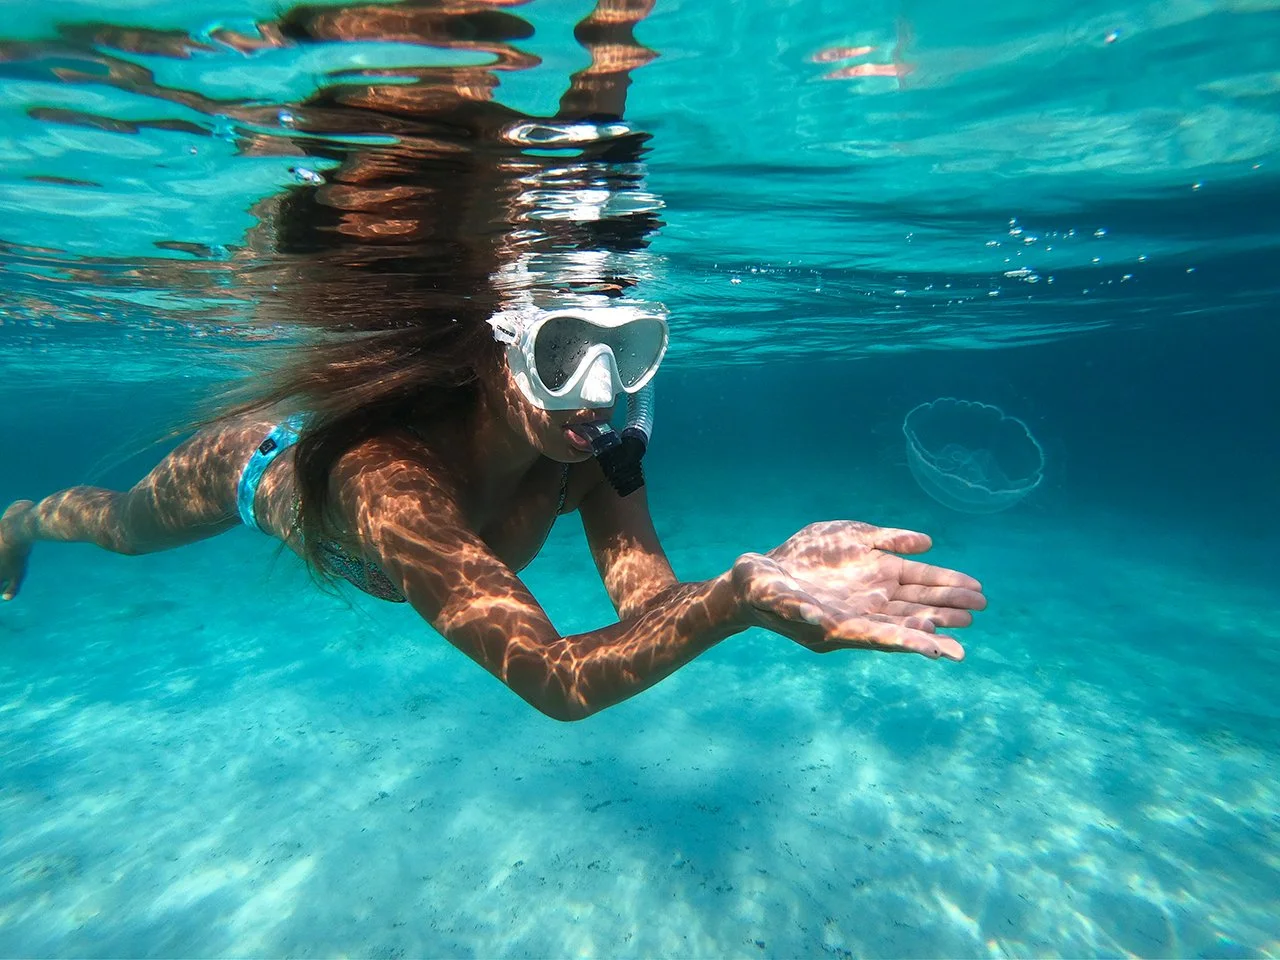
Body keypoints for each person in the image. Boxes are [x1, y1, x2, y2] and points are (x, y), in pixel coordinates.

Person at [0, 0, 985, 721]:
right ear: (492, 353)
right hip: (257, 467)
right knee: (124, 530)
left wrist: (759, 580)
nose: (598, 392)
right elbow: (553, 677)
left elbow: (644, 600)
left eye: (626, 351)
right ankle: (21, 519)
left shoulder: (598, 438)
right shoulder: (389, 481)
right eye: (562, 352)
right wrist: (729, 610)